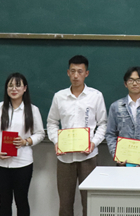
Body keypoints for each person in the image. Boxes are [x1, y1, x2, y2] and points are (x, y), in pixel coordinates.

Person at [47, 55, 107, 216]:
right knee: (65, 204)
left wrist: (93, 143)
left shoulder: (96, 96)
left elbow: (103, 124)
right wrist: (57, 141)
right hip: (65, 158)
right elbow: (52, 122)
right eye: (72, 71)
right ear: (68, 72)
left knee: (90, 202)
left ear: (86, 73)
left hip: (88, 157)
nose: (75, 75)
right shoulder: (59, 97)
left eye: (80, 71)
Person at [0, 72, 45, 216]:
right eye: (10, 85)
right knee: (4, 201)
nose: (13, 89)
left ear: (25, 88)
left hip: (23, 163)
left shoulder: (33, 110)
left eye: (18, 85)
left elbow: (40, 133)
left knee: (21, 200)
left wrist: (26, 141)